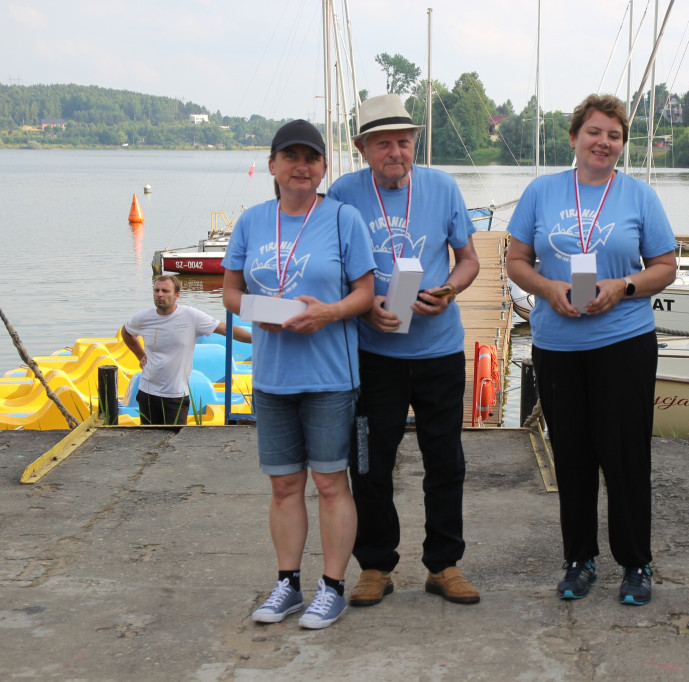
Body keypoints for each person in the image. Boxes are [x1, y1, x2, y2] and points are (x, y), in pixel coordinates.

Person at [506, 94, 677, 606]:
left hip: (623, 342)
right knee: (573, 456)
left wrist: (622, 286)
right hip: (558, 344)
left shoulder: (639, 197)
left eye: (615, 135)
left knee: (625, 456)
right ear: (575, 136)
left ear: (622, 143)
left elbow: (664, 266)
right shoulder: (542, 191)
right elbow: (517, 260)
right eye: (595, 132)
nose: (604, 142)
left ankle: (636, 563)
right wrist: (547, 289)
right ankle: (578, 560)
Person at [325, 95, 482, 606]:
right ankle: (376, 565)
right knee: (370, 462)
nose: (396, 152)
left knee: (446, 461)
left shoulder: (442, 187)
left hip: (438, 352)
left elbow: (468, 260)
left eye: (404, 141)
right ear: (362, 147)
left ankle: (444, 563)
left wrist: (450, 290)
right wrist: (366, 305)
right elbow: (333, 271)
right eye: (384, 143)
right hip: (374, 357)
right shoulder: (343, 195)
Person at [222, 119, 376, 629]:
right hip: (271, 377)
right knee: (284, 486)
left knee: (331, 484)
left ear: (323, 167)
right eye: (290, 157)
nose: (301, 166)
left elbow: (364, 293)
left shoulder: (341, 219)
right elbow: (230, 291)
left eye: (310, 158)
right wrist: (254, 310)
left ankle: (331, 586)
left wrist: (327, 313)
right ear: (272, 166)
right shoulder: (252, 221)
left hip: (331, 375)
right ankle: (288, 584)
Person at [121, 275, 252, 425]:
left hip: (176, 395)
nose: (159, 294)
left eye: (165, 291)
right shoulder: (143, 317)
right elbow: (126, 332)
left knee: (175, 442)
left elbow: (225, 329)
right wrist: (140, 355)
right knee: (150, 442)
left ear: (177, 295)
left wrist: (257, 339)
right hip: (148, 393)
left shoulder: (191, 316)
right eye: (156, 290)